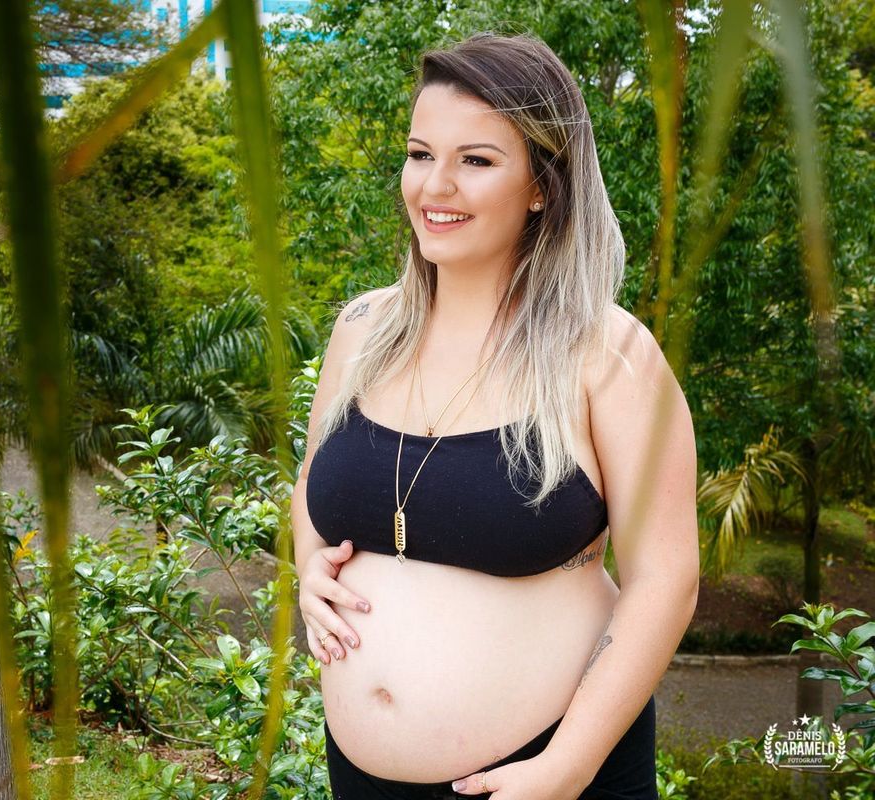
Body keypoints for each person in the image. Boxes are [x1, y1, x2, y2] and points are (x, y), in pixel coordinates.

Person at [293, 32, 699, 800]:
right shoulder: (361, 331)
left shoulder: (607, 355)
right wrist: (310, 565)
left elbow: (665, 579)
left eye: (475, 161)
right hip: (362, 779)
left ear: (542, 185)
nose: (435, 185)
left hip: (544, 775)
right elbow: (313, 478)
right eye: (420, 154)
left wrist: (567, 766)